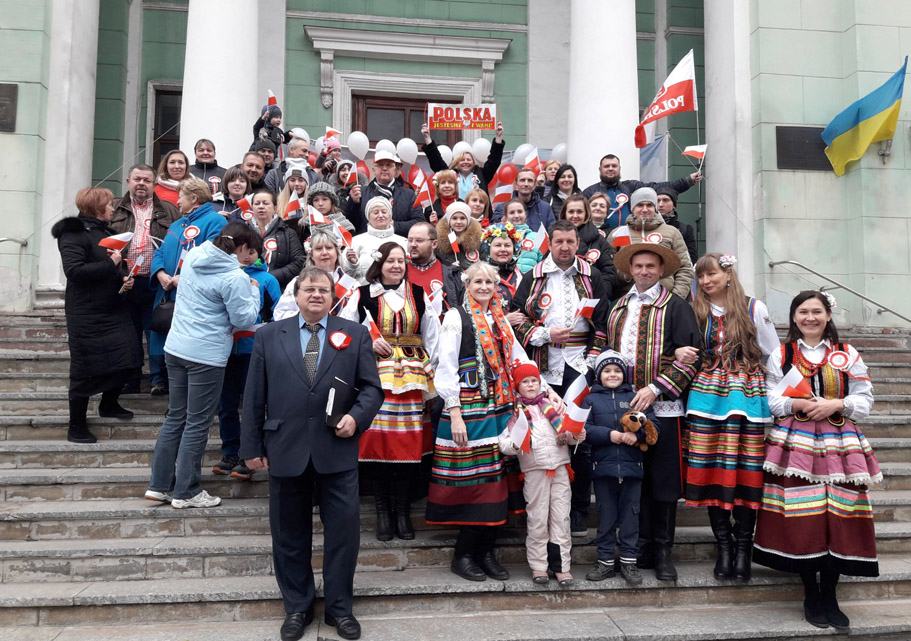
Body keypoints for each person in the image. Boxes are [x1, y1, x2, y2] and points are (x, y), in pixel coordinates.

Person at [240, 267, 384, 641]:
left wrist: (356, 417)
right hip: (284, 449)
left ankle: (340, 609)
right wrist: (251, 447)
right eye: (309, 289)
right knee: (289, 535)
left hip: (336, 450)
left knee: (343, 535)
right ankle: (297, 607)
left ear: (333, 296)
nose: (316, 295)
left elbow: (372, 389)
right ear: (297, 293)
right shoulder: (269, 336)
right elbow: (254, 396)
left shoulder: (354, 334)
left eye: (323, 289)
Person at [426, 262, 563, 582]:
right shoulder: (456, 318)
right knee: (477, 483)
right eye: (478, 281)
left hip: (501, 408)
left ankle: (486, 551)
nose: (485, 286)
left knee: (500, 479)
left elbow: (518, 359)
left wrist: (546, 390)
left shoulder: (500, 318)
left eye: (490, 281)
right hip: (470, 409)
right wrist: (455, 412)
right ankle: (464, 554)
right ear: (467, 285)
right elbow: (444, 366)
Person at [753, 291, 880, 631]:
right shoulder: (781, 354)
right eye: (804, 312)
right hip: (796, 444)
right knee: (804, 515)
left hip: (841, 441)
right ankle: (811, 592)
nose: (810, 317)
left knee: (839, 513)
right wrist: (797, 406)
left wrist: (836, 405)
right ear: (794, 317)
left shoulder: (846, 353)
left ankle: (831, 594)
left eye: (817, 311)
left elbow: (865, 398)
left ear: (828, 316)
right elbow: (771, 399)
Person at [146, 222, 260, 509]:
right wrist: (254, 291)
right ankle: (187, 490)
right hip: (205, 355)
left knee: (175, 417)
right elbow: (244, 319)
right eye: (251, 252)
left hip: (176, 347)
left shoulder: (195, 255)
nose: (253, 258)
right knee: (197, 423)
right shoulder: (235, 277)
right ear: (242, 247)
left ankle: (159, 486)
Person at [605, 242, 701, 581]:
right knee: (632, 482)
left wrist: (655, 388)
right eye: (639, 266)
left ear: (662, 271)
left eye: (651, 266)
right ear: (630, 270)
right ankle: (637, 548)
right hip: (624, 410)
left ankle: (662, 552)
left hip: (664, 410)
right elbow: (604, 350)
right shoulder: (618, 307)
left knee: (662, 483)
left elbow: (692, 358)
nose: (644, 271)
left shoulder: (676, 307)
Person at [682, 253, 780, 582]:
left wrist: (776, 398)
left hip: (746, 398)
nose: (706, 281)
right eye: (701, 276)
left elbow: (773, 354)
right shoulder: (696, 310)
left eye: (712, 274)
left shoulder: (754, 308)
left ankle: (743, 550)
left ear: (727, 274)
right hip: (705, 397)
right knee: (709, 471)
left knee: (745, 472)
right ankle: (723, 548)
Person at [510, 220, 611, 537]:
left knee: (578, 438)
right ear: (550, 243)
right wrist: (542, 332)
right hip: (542, 366)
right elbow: (515, 318)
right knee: (541, 437)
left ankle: (578, 510)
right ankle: (538, 511)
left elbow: (604, 321)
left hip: (581, 367)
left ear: (578, 242)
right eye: (559, 242)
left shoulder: (591, 275)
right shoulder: (534, 276)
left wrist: (593, 359)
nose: (565, 247)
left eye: (570, 241)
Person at [340, 242, 439, 541]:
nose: (396, 266)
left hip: (412, 383)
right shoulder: (361, 295)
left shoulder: (420, 295)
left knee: (407, 447)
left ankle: (401, 510)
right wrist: (366, 344)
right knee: (377, 445)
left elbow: (433, 338)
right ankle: (383, 510)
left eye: (401, 261)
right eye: (390, 261)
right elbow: (342, 334)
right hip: (375, 382)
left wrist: (435, 376)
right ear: (379, 264)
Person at [52, 187, 142, 443]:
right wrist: (111, 264)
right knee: (85, 369)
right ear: (95, 207)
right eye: (109, 204)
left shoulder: (107, 233)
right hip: (87, 313)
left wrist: (123, 278)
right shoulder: (73, 233)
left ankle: (109, 403)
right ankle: (76, 425)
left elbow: (111, 267)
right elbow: (75, 272)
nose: (113, 208)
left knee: (128, 355)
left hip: (113, 307)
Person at [499, 360, 582, 586]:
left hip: (560, 468)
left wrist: (576, 435)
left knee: (561, 518)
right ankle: (538, 566)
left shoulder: (553, 406)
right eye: (525, 382)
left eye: (534, 381)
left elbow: (569, 434)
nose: (531, 385)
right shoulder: (514, 413)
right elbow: (504, 445)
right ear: (517, 386)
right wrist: (516, 444)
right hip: (534, 471)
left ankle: (562, 567)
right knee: (537, 520)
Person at [583, 350, 659, 587]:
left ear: (624, 374)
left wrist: (636, 436)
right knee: (606, 516)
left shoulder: (635, 397)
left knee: (630, 517)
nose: (612, 374)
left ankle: (628, 562)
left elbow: (653, 425)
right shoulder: (591, 400)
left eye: (617, 370)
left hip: (632, 470)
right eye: (607, 371)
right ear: (599, 375)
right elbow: (584, 429)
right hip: (603, 469)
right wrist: (610, 435)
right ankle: (604, 561)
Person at [149, 177, 228, 396]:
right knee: (160, 336)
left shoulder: (215, 222)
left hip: (193, 295)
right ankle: (159, 379)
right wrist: (161, 273)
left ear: (194, 198)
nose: (177, 202)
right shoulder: (176, 224)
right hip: (166, 292)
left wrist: (183, 277)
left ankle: (179, 393)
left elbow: (214, 256)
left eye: (180, 197)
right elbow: (160, 251)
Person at [213, 231, 281, 481]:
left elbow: (279, 314)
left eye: (251, 252)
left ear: (258, 253)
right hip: (226, 349)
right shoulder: (223, 276)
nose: (245, 257)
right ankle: (230, 452)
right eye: (240, 251)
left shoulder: (267, 280)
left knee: (253, 405)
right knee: (226, 404)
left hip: (254, 350)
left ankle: (249, 455)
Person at [110, 164, 181, 395]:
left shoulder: (169, 210)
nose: (141, 184)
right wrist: (117, 274)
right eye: (137, 179)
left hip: (156, 281)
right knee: (127, 333)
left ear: (154, 184)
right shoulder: (115, 208)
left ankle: (158, 379)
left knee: (157, 331)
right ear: (128, 181)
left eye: (147, 180)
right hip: (123, 281)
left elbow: (180, 244)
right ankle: (131, 378)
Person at [607, 188, 694, 300]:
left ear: (655, 208)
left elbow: (685, 268)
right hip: (626, 299)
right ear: (632, 208)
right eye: (640, 205)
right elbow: (608, 268)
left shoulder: (672, 232)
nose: (645, 209)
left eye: (649, 205)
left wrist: (676, 297)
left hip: (664, 299)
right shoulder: (618, 233)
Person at [581, 154, 700, 224]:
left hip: (630, 238)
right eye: (607, 166)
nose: (611, 168)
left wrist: (687, 181)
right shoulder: (589, 192)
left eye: (614, 166)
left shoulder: (631, 186)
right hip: (601, 239)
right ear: (600, 169)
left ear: (619, 168)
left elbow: (658, 188)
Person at [274, 229, 348, 321]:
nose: (324, 253)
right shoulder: (297, 282)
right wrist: (311, 319)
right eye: (318, 248)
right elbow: (280, 314)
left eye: (329, 248)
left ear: (337, 252)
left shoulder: (350, 284)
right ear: (311, 254)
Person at [344, 150, 423, 235]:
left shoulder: (408, 194)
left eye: (389, 165)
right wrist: (353, 203)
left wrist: (395, 225)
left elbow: (419, 222)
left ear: (395, 170)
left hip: (398, 245)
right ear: (374, 170)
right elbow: (350, 224)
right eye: (380, 165)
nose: (384, 168)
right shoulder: (360, 193)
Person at [421, 122, 505, 197]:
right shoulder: (450, 175)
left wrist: (498, 137)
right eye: (462, 160)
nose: (466, 162)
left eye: (469, 160)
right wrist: (427, 137)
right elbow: (436, 160)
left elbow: (494, 160)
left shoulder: (482, 174)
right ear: (457, 163)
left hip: (478, 213)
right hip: (456, 213)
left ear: (473, 163)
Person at [556, 194, 617, 291]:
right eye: (571, 212)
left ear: (586, 214)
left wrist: (597, 295)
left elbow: (608, 273)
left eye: (579, 212)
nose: (575, 216)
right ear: (564, 214)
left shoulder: (599, 241)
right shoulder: (554, 239)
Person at [247, 189, 306, 291]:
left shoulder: (288, 233)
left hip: (279, 289)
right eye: (257, 203)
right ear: (252, 207)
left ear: (275, 208)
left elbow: (299, 262)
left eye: (266, 203)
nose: (261, 206)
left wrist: (269, 277)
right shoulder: (243, 231)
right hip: (247, 288)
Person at [342, 196, 408, 284]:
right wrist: (352, 264)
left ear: (390, 216)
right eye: (375, 212)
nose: (380, 215)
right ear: (368, 217)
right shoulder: (356, 241)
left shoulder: (404, 242)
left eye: (384, 212)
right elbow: (344, 275)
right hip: (365, 293)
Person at [405, 221, 465, 313]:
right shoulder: (399, 271)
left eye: (419, 240)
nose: (413, 244)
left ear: (434, 244)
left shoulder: (452, 273)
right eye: (410, 240)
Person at [491, 167, 556, 231]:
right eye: (522, 180)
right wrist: (502, 222)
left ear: (535, 184)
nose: (526, 184)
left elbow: (552, 233)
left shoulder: (545, 208)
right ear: (516, 184)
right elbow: (492, 232)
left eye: (530, 180)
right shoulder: (502, 208)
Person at [481, 222, 524, 314]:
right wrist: (505, 320)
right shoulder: (480, 277)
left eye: (507, 245)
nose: (503, 249)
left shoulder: (523, 277)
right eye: (497, 245)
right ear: (489, 249)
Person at [436, 201, 484, 269]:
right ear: (449, 221)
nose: (458, 222)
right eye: (454, 218)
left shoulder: (477, 243)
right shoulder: (440, 244)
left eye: (462, 218)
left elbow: (483, 264)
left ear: (468, 220)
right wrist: (449, 267)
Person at [656, 187, 697, 265]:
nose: (661, 204)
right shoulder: (645, 226)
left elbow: (691, 258)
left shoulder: (685, 229)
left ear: (674, 205)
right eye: (657, 201)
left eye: (665, 200)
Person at [501, 198, 542, 273]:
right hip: (506, 282)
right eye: (512, 212)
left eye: (520, 211)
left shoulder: (537, 237)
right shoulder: (500, 237)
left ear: (525, 214)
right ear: (506, 216)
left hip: (530, 282)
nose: (516, 215)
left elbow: (543, 264)